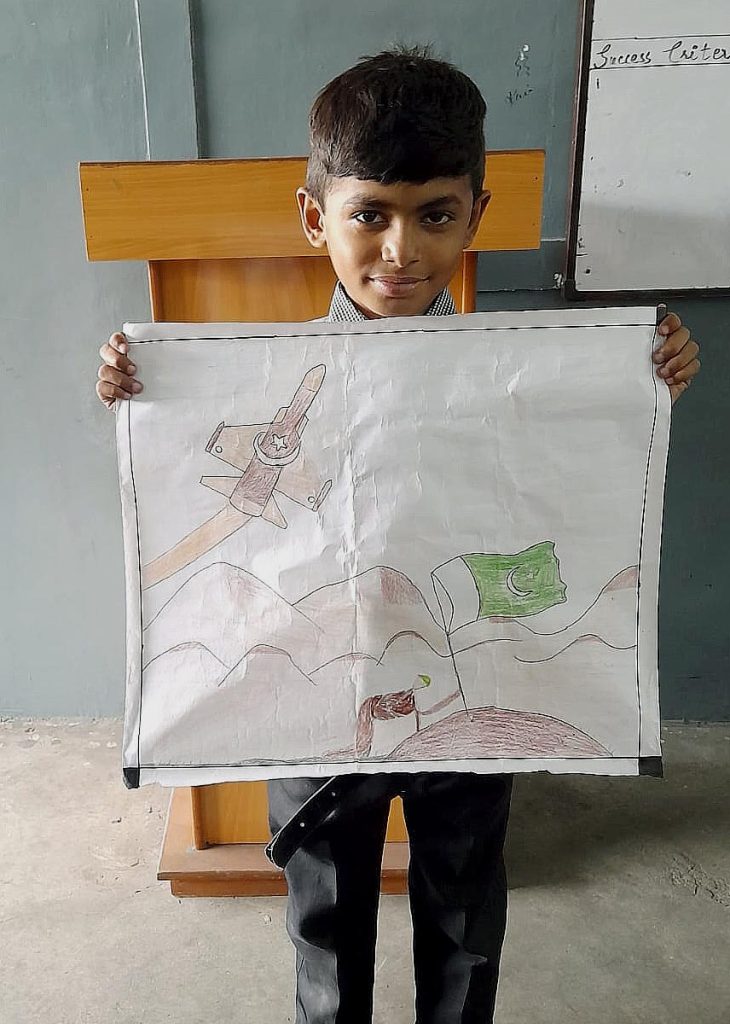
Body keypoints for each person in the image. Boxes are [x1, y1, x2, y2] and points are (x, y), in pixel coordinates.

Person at [95, 46, 701, 1024]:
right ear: (315, 217)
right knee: (325, 920)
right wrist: (145, 396)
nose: (400, 250)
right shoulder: (255, 385)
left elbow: (567, 488)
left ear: (475, 215)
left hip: (465, 688)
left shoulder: (522, 379)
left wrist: (645, 378)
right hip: (316, 695)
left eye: (435, 215)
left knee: (463, 911)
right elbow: (210, 485)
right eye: (369, 214)